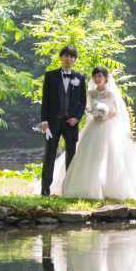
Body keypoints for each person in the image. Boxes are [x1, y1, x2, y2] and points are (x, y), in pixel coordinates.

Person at [49, 66, 136, 201]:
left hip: (109, 126)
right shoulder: (91, 93)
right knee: (90, 155)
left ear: (105, 78)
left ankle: (110, 186)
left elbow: (116, 113)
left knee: (111, 155)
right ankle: (88, 186)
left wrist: (104, 115)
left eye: (100, 76)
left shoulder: (111, 94)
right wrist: (93, 112)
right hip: (94, 126)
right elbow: (90, 109)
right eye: (95, 76)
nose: (97, 79)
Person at [40, 45, 88, 196]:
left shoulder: (80, 77)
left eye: (71, 57)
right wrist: (44, 122)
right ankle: (45, 190)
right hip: (53, 122)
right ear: (61, 58)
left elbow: (83, 101)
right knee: (49, 155)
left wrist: (77, 119)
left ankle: (69, 190)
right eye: (66, 56)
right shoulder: (50, 75)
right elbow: (45, 100)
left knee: (71, 156)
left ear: (75, 60)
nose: (68, 59)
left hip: (71, 123)